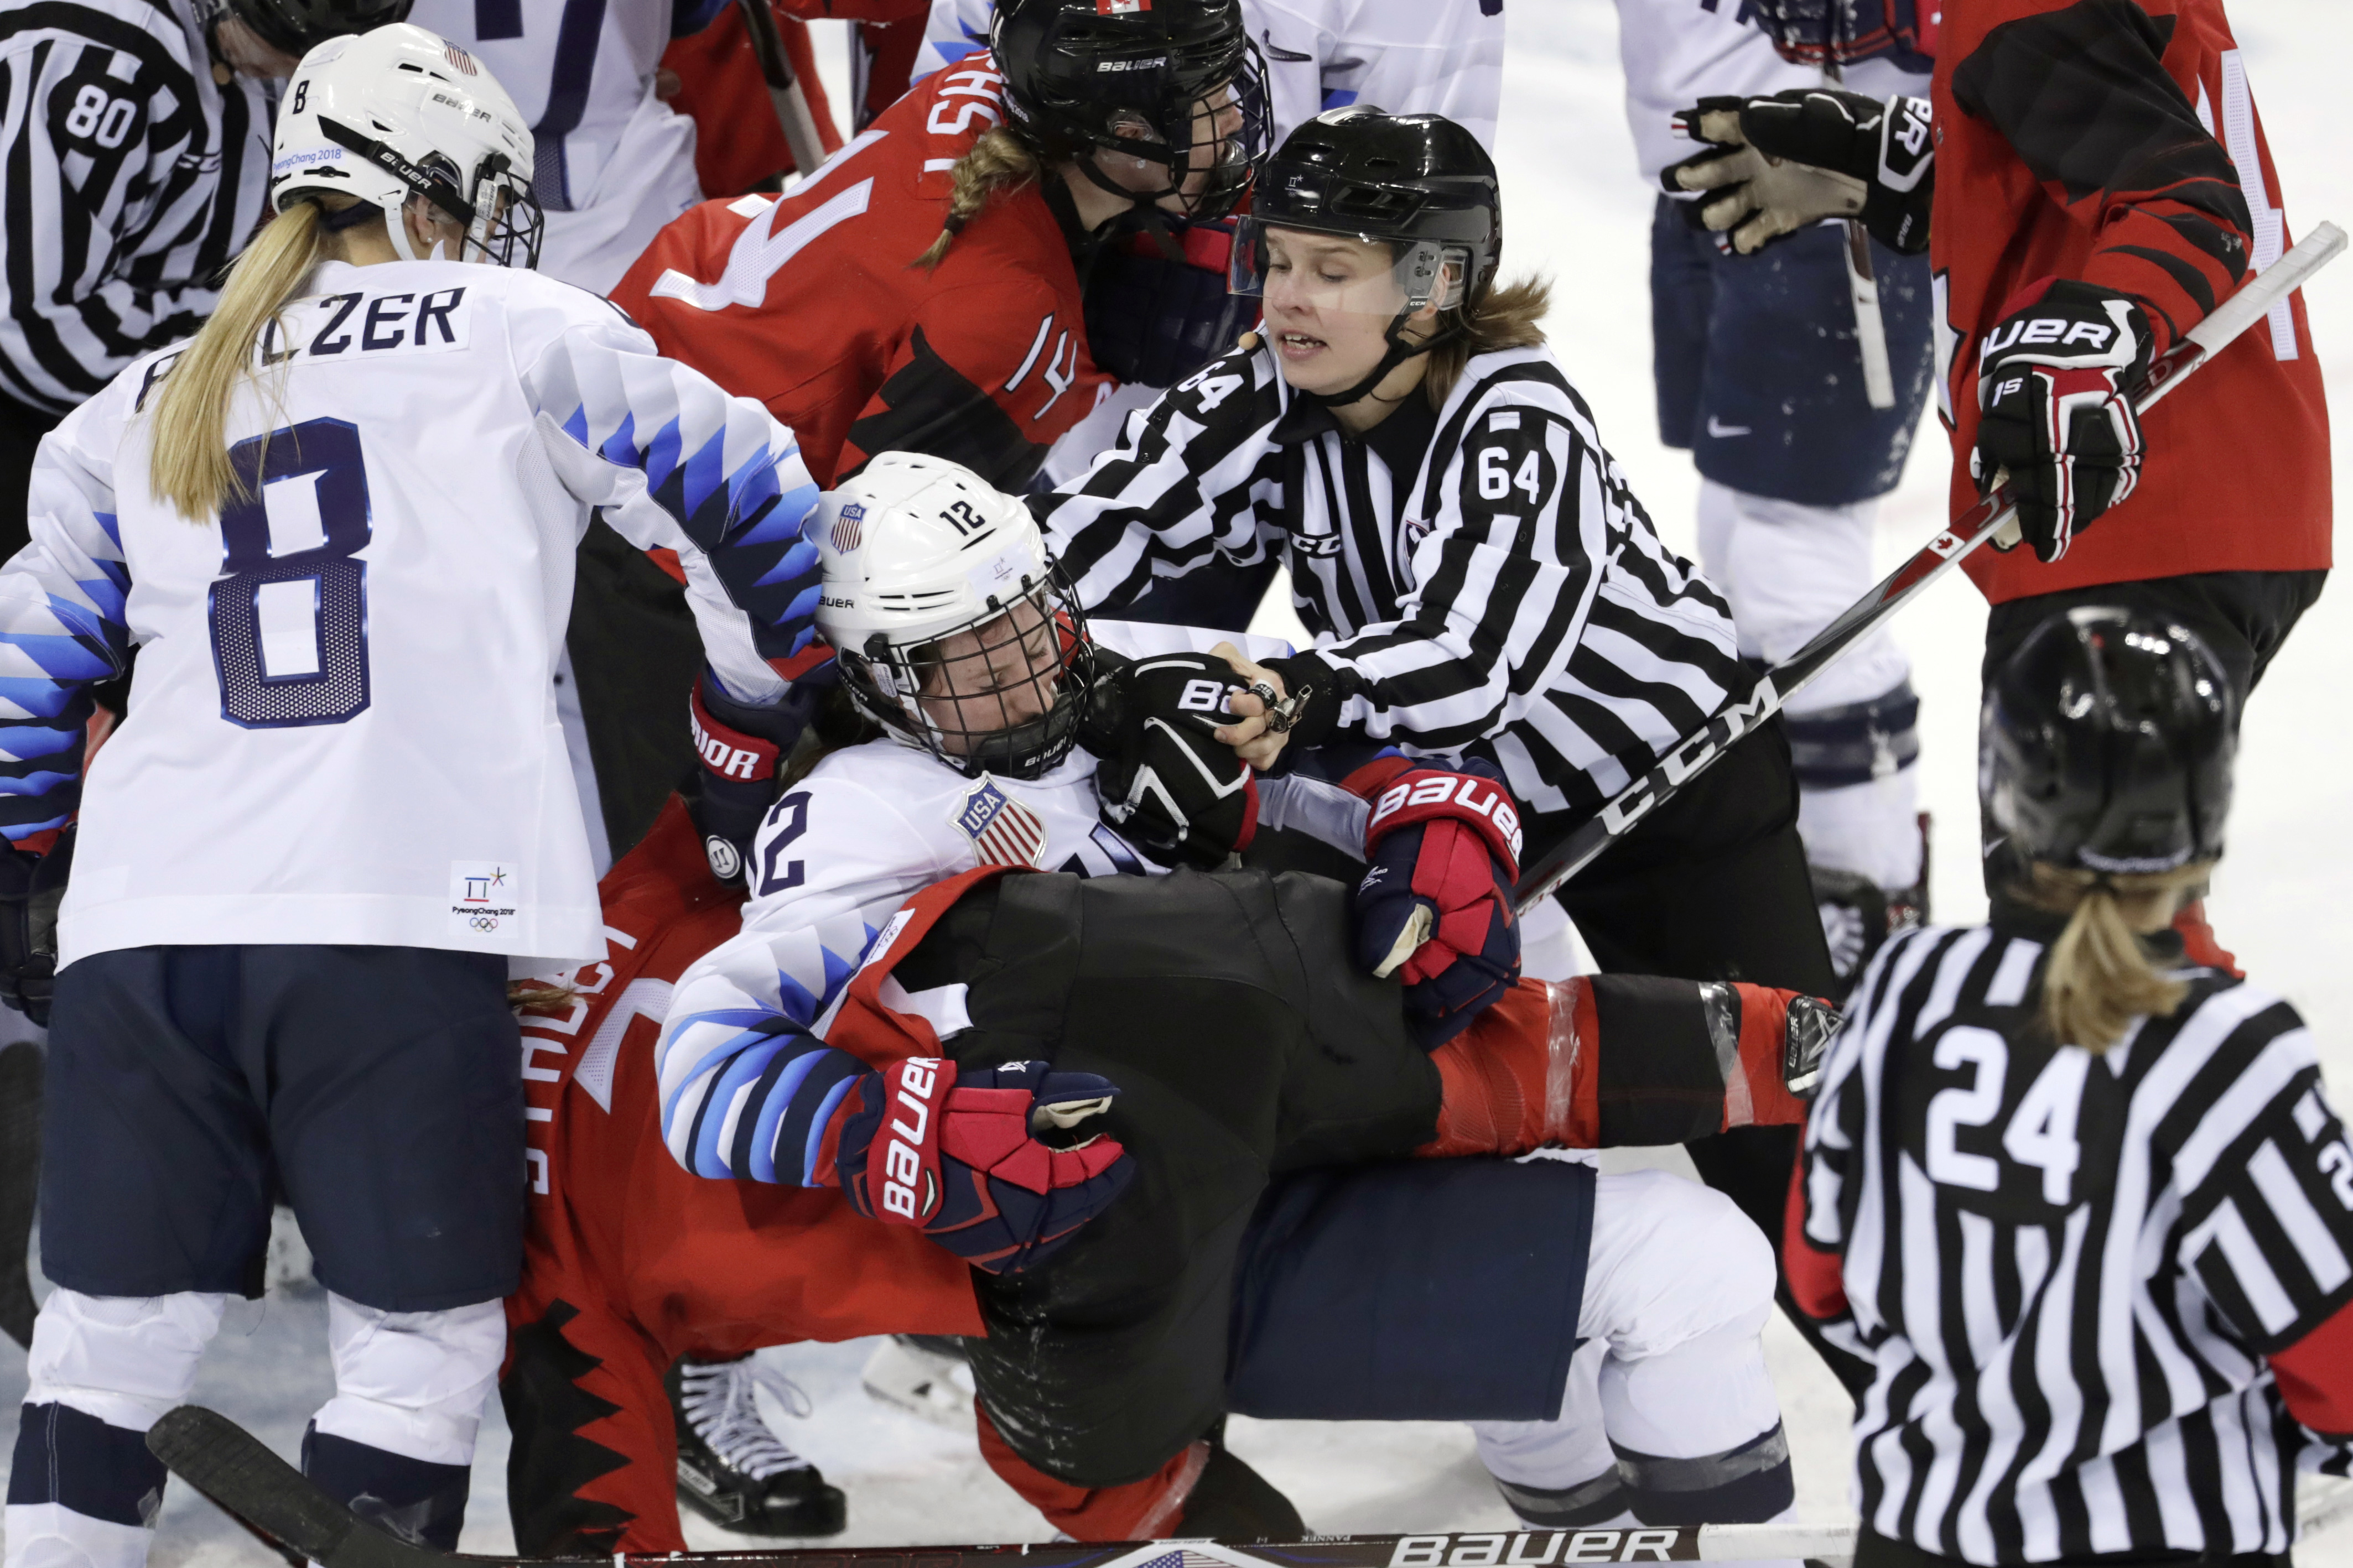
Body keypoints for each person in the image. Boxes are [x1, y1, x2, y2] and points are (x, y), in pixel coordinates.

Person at [0, 23, 825, 1562]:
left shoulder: (140, 395)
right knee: (416, 1356)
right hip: (400, 918)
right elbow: (760, 506)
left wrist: (26, 877)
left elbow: (25, 670)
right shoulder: (520, 326)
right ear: (431, 193)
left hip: (145, 926)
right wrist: (744, 727)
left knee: (100, 1358)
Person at [1036, 105, 1838, 1293]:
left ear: (1435, 286)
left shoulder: (1517, 416)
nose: (1285, 298)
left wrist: (1305, 688)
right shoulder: (1266, 393)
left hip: (1673, 800)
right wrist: (964, 610)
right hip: (1482, 809)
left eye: (1331, 271)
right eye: (1276, 259)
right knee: (1450, 1104)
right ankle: (1522, 1375)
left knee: (1790, 1154)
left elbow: (1476, 662)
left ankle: (1924, 1375)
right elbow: (1100, 526)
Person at [1660, 0, 2329, 966]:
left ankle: (2214, 1070)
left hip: (2127, 496)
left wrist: (2077, 348)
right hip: (2189, 488)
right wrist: (1907, 167)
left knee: (2082, 947)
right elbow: (2083, 142)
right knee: (2094, 927)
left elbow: (2184, 204)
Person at [1787, 606, 2353, 1568]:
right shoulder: (2224, 1049)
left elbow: (1819, 1273)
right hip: (2165, 1540)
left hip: (1920, 1534)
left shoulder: (1903, 989)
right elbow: (2334, 1357)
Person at [609, 0, 1268, 500]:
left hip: (645, 343)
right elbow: (873, 564)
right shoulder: (1009, 323)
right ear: (1126, 130)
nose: (1235, 116)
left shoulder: (986, 83)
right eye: (1209, 98)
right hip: (669, 515)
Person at [1617, 0, 1935, 986]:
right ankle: (1796, 886)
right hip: (1697, 177)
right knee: (1737, 556)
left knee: (1788, 562)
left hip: (1818, 189)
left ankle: (1872, 906)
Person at [0, 0, 408, 559]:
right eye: (282, 40)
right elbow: (32, 323)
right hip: (35, 408)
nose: (294, 64)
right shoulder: (101, 51)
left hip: (124, 388)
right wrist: (227, 383)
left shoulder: (269, 65)